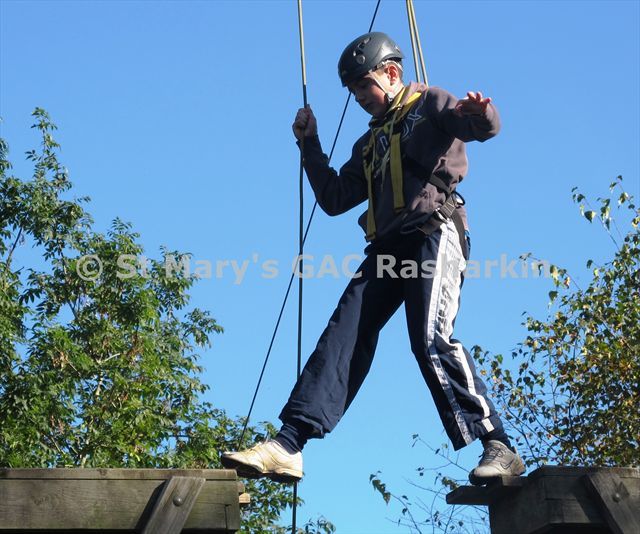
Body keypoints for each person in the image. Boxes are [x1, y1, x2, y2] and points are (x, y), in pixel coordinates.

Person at [222, 32, 524, 486]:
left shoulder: (429, 104)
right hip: (387, 248)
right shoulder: (370, 143)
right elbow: (334, 197)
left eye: (365, 85)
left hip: (433, 230)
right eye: (353, 90)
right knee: (344, 333)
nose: (360, 96)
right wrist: (310, 145)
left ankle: (497, 444)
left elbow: (479, 128)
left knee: (429, 338)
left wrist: (482, 113)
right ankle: (289, 443)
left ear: (392, 72)